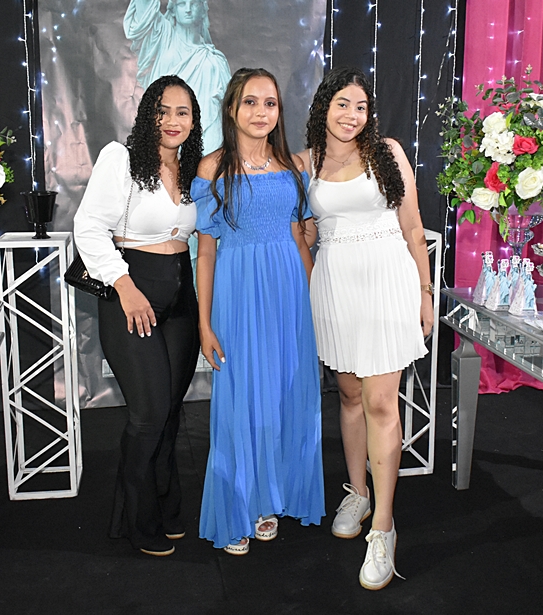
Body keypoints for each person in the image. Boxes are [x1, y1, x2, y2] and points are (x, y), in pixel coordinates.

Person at [298, 66, 434, 590]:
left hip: (387, 283)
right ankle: (357, 492)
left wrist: (425, 293)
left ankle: (383, 527)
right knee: (351, 396)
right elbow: (304, 233)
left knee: (380, 402)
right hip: (335, 287)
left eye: (361, 107)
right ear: (323, 107)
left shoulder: (387, 153)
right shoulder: (305, 163)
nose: (352, 115)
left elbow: (413, 226)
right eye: (343, 104)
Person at [194, 68, 324, 555]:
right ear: (231, 109)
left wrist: (316, 301)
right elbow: (206, 252)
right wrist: (205, 322)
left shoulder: (292, 166)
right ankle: (239, 503)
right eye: (250, 102)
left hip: (289, 292)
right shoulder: (212, 168)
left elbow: (301, 238)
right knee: (242, 397)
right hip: (238, 292)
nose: (260, 112)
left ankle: (270, 498)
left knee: (285, 394)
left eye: (269, 103)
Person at [73, 75, 203, 557]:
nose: (172, 120)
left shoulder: (194, 170)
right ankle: (136, 518)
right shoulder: (121, 158)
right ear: (148, 114)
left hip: (181, 296)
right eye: (162, 110)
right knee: (148, 414)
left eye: (183, 112)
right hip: (131, 290)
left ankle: (166, 506)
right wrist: (125, 288)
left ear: (194, 120)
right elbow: (88, 227)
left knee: (168, 413)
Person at [125, 0, 231, 154]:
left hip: (209, 132)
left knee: (206, 165)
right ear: (173, 9)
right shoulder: (162, 35)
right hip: (168, 127)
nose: (188, 9)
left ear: (203, 9)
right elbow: (144, 6)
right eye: (182, 3)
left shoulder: (215, 58)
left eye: (194, 3)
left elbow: (229, 107)